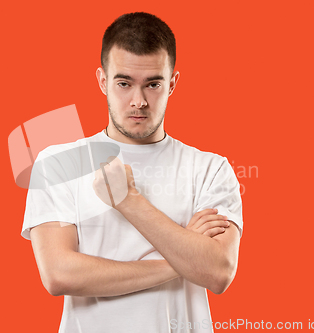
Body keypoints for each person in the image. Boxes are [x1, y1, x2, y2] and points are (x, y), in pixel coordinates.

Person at [21, 12, 243, 333]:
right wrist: (183, 261)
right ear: (102, 80)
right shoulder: (59, 162)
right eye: (124, 83)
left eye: (153, 84)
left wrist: (129, 201)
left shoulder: (211, 169)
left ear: (172, 83)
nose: (138, 101)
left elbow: (218, 272)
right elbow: (59, 274)